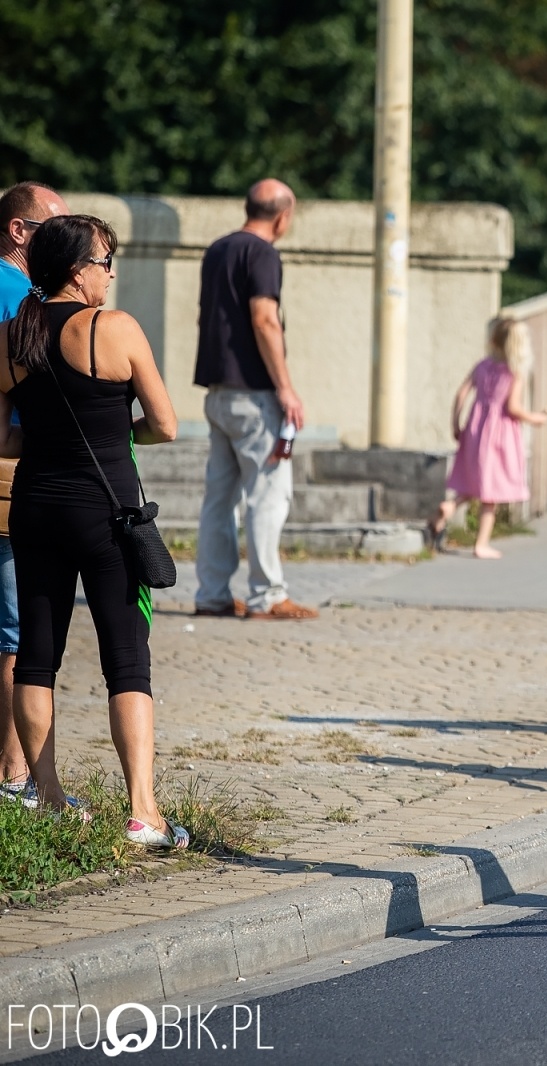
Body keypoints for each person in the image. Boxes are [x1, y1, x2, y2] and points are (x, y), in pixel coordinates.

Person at [0, 215, 187, 846]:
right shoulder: (114, 328)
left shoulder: (10, 338)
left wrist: (46, 440)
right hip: (105, 512)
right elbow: (165, 424)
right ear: (79, 269)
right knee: (126, 659)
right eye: (106, 261)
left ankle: (46, 793)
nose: (110, 273)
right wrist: (116, 435)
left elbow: (1, 438)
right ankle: (144, 810)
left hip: (34, 505)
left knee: (37, 653)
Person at [192, 179, 318, 621]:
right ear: (282, 216)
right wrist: (285, 386)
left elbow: (204, 316)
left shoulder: (217, 250)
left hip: (217, 392)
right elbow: (265, 319)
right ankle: (268, 595)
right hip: (253, 394)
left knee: (219, 498)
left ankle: (211, 593)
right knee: (267, 495)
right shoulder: (262, 253)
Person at [0, 182, 68, 809]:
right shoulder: (22, 298)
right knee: (16, 636)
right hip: (11, 487)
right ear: (21, 232)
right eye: (56, 223)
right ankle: (16, 779)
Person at [427, 317, 547, 559]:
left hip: (476, 428)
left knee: (478, 480)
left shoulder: (482, 365)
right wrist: (535, 418)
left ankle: (450, 506)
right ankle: (481, 544)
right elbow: (512, 407)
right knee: (490, 492)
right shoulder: (514, 373)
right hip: (500, 435)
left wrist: (456, 423)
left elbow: (461, 394)